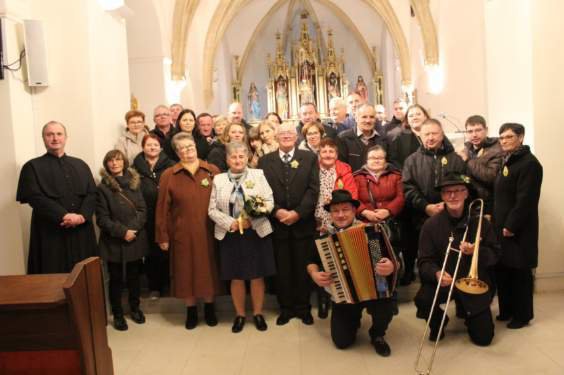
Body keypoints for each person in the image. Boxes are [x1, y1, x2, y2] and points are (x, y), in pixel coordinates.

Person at [307, 189, 398, 356]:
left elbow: (391, 259)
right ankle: (353, 318)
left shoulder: (371, 231)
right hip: (343, 293)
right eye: (335, 210)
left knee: (386, 304)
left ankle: (377, 334)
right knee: (342, 342)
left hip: (373, 290)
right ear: (330, 214)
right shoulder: (323, 236)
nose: (340, 215)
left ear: (354, 210)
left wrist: (390, 266)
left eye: (345, 209)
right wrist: (314, 274)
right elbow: (310, 261)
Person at [415, 172, 499, 346]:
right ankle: (439, 322)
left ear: (466, 193)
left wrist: (477, 251)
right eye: (447, 192)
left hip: (473, 283)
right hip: (445, 280)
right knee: (423, 299)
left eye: (458, 190)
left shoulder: (481, 222)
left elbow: (495, 255)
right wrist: (436, 273)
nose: (453, 195)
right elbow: (424, 261)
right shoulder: (430, 225)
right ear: (442, 196)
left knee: (484, 339)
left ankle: (468, 311)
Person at [208, 142, 277, 333]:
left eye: (241, 156)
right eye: (233, 157)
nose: (237, 160)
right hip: (230, 233)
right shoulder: (219, 179)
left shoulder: (258, 175)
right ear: (227, 159)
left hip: (255, 231)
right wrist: (230, 222)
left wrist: (251, 218)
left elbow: (269, 202)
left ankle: (257, 313)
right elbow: (212, 209)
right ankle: (239, 315)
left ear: (247, 157)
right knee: (236, 276)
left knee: (256, 275)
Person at [155, 132, 221, 329]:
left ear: (196, 147)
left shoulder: (212, 171)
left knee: (208, 270)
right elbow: (162, 208)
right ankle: (191, 311)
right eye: (181, 149)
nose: (187, 151)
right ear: (176, 152)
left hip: (210, 231)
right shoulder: (169, 175)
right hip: (181, 232)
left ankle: (210, 308)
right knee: (186, 272)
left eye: (189, 147)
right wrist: (162, 236)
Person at [16, 121, 98, 274]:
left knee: (85, 278)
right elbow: (35, 198)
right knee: (52, 275)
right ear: (43, 138)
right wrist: (64, 215)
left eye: (59, 134)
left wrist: (81, 217)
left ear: (66, 137)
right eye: (50, 134)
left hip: (81, 231)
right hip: (50, 233)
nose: (55, 138)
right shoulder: (32, 167)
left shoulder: (81, 164)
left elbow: (92, 194)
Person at [258, 122, 319, 326]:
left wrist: (298, 213)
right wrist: (276, 211)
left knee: (303, 268)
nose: (286, 136)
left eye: (289, 133)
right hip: (278, 226)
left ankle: (303, 308)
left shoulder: (309, 158)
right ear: (276, 137)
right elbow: (261, 191)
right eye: (282, 133)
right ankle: (285, 308)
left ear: (296, 137)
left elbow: (313, 189)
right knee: (282, 270)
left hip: (302, 224)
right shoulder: (265, 161)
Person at [402, 118, 466, 285]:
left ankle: (460, 300)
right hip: (423, 219)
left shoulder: (456, 159)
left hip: (453, 219)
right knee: (428, 263)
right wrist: (426, 207)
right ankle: (432, 303)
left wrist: (448, 205)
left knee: (455, 261)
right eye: (426, 134)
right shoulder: (411, 160)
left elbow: (464, 185)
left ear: (442, 134)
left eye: (434, 133)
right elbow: (408, 189)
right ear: (420, 136)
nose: (430, 137)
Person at [493, 123, 543, 329]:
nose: (504, 140)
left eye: (509, 137)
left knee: (520, 273)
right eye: (501, 137)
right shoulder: (507, 162)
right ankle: (506, 310)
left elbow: (526, 200)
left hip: (519, 230)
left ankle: (522, 316)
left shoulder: (530, 164)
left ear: (521, 137)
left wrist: (511, 225)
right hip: (501, 227)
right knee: (504, 270)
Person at [96, 150, 148, 331]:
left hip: (135, 237)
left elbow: (142, 209)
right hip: (114, 240)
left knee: (134, 277)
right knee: (116, 279)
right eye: (110, 160)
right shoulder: (102, 188)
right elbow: (102, 218)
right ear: (106, 164)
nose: (114, 163)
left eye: (118, 160)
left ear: (124, 162)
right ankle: (118, 314)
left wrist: (133, 229)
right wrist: (123, 231)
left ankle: (135, 308)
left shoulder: (135, 183)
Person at [314, 138, 358, 319]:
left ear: (337, 154)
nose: (328, 155)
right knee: (322, 259)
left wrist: (334, 203)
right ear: (319, 154)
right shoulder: (312, 169)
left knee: (339, 257)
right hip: (316, 220)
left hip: (338, 219)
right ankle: (323, 299)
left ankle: (344, 292)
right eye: (324, 151)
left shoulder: (344, 170)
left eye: (331, 151)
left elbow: (352, 194)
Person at [133, 134, 175, 299]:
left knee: (168, 252)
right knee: (151, 253)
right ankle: (154, 287)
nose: (152, 147)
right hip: (146, 217)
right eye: (149, 145)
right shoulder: (135, 168)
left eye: (156, 145)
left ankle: (170, 285)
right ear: (143, 147)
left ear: (161, 147)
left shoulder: (171, 166)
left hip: (168, 215)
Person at [456, 115, 503, 215]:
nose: (474, 135)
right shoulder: (466, 150)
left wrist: (467, 161)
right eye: (470, 131)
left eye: (478, 130)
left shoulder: (497, 149)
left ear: (486, 130)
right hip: (468, 203)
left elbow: (491, 176)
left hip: (489, 205)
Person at [354, 145, 404, 226]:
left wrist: (388, 211)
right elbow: (353, 199)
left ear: (385, 160)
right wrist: (364, 212)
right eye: (373, 158)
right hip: (365, 223)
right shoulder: (356, 177)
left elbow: (401, 197)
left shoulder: (396, 176)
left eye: (380, 158)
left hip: (391, 222)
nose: (376, 161)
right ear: (366, 160)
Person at [337, 104, 388, 172]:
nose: (368, 120)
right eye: (364, 117)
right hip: (352, 181)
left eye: (371, 117)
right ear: (356, 118)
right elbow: (340, 168)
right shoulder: (343, 138)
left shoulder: (383, 139)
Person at [388, 104, 428, 170]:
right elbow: (394, 160)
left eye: (418, 114)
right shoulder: (399, 137)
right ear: (407, 120)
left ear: (425, 116)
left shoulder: (434, 133)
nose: (415, 118)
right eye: (411, 116)